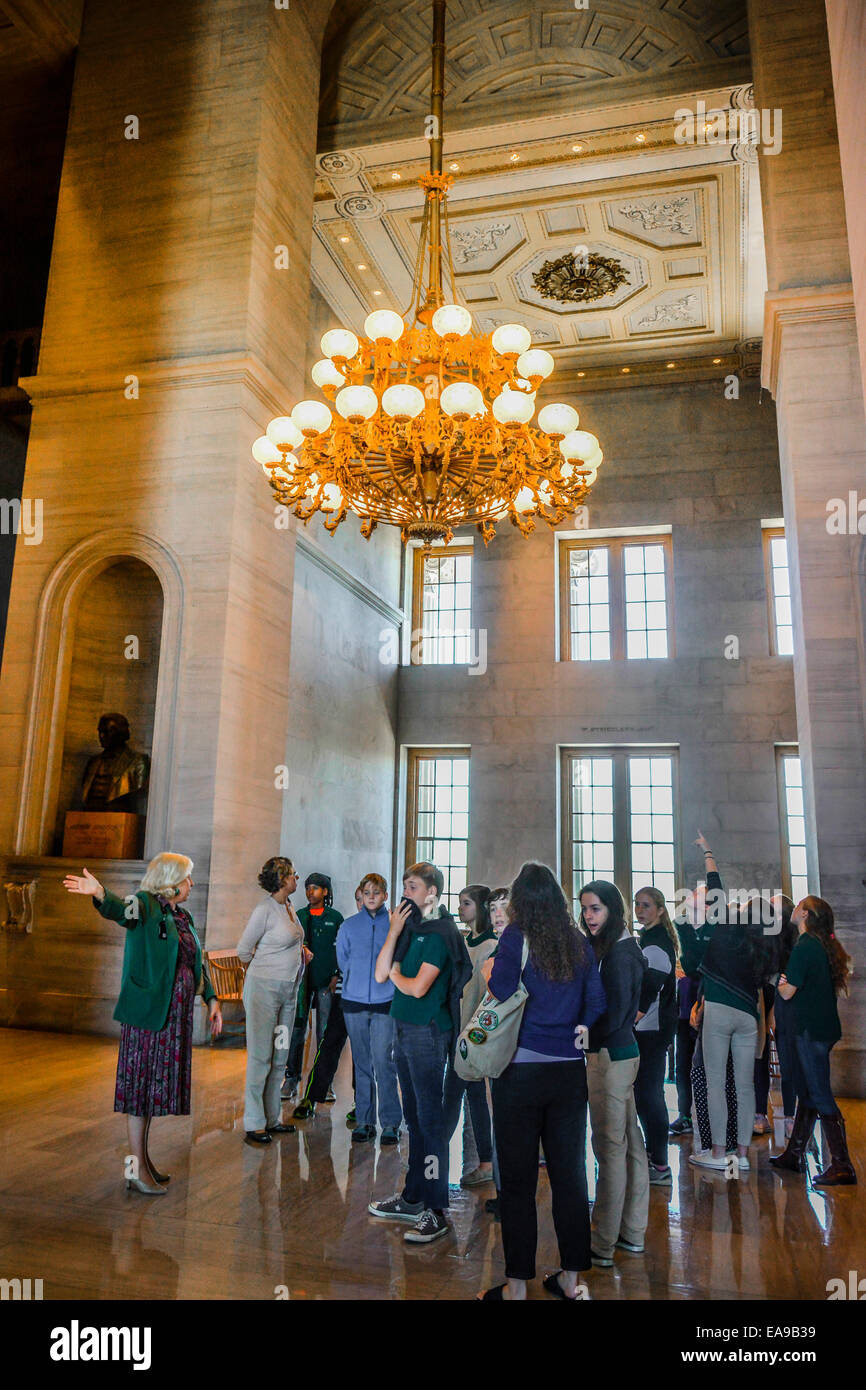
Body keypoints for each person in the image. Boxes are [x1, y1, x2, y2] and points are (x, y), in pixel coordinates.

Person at [477, 862, 606, 1301]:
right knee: (570, 1176)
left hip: (521, 1071)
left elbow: (500, 989)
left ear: (520, 902)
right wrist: (578, 1027)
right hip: (568, 1072)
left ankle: (516, 1287)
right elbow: (597, 1000)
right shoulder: (577, 941)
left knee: (517, 1182)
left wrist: (491, 966)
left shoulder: (516, 937)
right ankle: (571, 1280)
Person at [63, 854, 222, 1194]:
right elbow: (121, 910)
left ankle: (143, 1162)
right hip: (148, 1019)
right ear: (171, 879)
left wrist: (211, 998)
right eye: (188, 878)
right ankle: (135, 1169)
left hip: (170, 1020)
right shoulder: (146, 904)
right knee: (139, 1093)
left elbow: (196, 960)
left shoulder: (181, 914)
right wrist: (101, 893)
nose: (191, 884)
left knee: (150, 1092)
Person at [368, 862, 471, 1245]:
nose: (405, 892)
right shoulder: (411, 930)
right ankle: (413, 1196)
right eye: (405, 885)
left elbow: (415, 987)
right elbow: (380, 974)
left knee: (430, 1122)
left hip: (428, 1033)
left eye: (413, 886)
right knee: (413, 1118)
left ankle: (435, 1208)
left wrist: (396, 974)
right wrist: (394, 932)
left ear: (432, 893)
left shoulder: (442, 932)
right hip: (403, 1029)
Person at [687, 837, 769, 1172]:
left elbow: (715, 884)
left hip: (719, 1010)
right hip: (748, 1015)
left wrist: (708, 851)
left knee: (716, 1084)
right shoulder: (757, 940)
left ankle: (719, 1154)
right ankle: (744, 1157)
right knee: (745, 1085)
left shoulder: (718, 925)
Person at [580, 880, 649, 1269]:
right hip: (618, 1054)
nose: (589, 916)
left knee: (609, 1147)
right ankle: (632, 1232)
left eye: (596, 909)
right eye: (585, 908)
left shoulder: (620, 953)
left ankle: (603, 1241)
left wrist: (584, 1032)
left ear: (612, 910)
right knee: (629, 1146)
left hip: (611, 1056)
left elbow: (617, 1012)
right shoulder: (618, 947)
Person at [771, 897, 856, 1185]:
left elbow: (786, 993)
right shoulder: (820, 944)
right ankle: (794, 1154)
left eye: (798, 907)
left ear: (805, 914)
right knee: (808, 1092)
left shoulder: (805, 946)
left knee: (819, 1094)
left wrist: (779, 981)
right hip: (822, 1028)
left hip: (809, 1031)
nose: (793, 909)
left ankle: (842, 1165)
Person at [236, 857, 310, 1147]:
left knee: (280, 1054)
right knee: (260, 1056)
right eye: (292, 875)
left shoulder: (288, 907)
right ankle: (254, 1122)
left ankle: (272, 1117)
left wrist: (301, 953)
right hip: (264, 990)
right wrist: (266, 969)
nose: (296, 879)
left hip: (289, 990)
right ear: (281, 880)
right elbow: (243, 951)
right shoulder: (264, 909)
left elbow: (289, 941)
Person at [336, 873, 402, 1145]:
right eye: (367, 891)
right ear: (361, 895)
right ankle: (364, 1120)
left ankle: (390, 1123)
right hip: (354, 1003)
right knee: (361, 1063)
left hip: (386, 1002)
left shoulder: (395, 925)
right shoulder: (349, 926)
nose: (372, 896)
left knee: (383, 1061)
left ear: (385, 895)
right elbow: (342, 960)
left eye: (377, 891)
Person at [443, 884, 497, 1188]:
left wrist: (467, 1036)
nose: (461, 908)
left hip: (468, 1033)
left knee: (454, 1096)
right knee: (470, 1096)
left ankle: (433, 1155)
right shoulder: (468, 941)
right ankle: (485, 1161)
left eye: (466, 903)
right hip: (458, 1028)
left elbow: (476, 996)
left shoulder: (488, 946)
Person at [633, 886, 679, 1184]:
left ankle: (660, 1165)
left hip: (651, 1028)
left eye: (646, 905)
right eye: (637, 904)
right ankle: (654, 1158)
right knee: (647, 1094)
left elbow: (651, 987)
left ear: (660, 910)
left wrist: (631, 1018)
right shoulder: (649, 938)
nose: (640, 909)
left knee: (649, 1095)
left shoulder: (657, 942)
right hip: (649, 1028)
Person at [290, 873, 344, 1117]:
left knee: (324, 1031)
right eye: (307, 888)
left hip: (325, 983)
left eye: (315, 888)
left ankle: (324, 1082)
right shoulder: (299, 916)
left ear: (325, 891)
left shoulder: (335, 918)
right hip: (302, 982)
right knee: (297, 1031)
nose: (310, 892)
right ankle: (291, 1078)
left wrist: (336, 974)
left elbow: (341, 950)